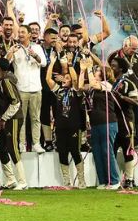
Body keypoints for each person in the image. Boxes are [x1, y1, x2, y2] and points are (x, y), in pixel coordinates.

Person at [46, 54, 86, 188]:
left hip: (73, 126)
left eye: (67, 78)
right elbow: (47, 79)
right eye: (64, 77)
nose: (65, 79)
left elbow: (75, 79)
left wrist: (69, 64)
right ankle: (66, 182)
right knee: (62, 153)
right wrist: (52, 62)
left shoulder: (76, 92)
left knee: (75, 152)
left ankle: (82, 181)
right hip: (60, 127)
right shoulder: (59, 91)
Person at [79, 59, 120, 189]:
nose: (94, 72)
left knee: (107, 151)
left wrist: (89, 68)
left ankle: (114, 180)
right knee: (97, 152)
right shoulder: (92, 89)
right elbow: (80, 86)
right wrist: (82, 70)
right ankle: (103, 180)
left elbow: (93, 83)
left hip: (107, 122)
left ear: (103, 74)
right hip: (95, 123)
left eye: (97, 71)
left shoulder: (107, 84)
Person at [7, 25, 47, 153]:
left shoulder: (37, 47)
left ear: (29, 34)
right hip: (21, 89)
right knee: (21, 119)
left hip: (36, 88)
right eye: (19, 32)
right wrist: (10, 52)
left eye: (23, 32)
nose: (20, 34)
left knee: (36, 118)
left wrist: (35, 55)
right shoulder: (15, 48)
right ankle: (22, 144)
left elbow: (44, 63)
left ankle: (36, 144)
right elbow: (5, 64)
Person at [0, 58, 26, 190]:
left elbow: (15, 101)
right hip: (7, 118)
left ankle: (22, 181)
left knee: (13, 147)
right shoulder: (3, 80)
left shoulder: (6, 80)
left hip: (13, 118)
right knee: (0, 146)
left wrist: (4, 118)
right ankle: (11, 179)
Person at [110, 57, 138, 188]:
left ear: (121, 68)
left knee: (128, 150)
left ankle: (129, 179)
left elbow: (136, 101)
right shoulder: (110, 83)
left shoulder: (128, 83)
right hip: (112, 121)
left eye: (114, 66)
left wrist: (122, 97)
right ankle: (113, 179)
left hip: (125, 121)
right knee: (112, 151)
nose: (111, 68)